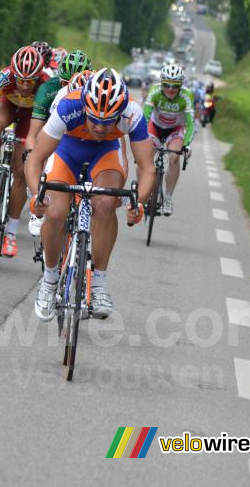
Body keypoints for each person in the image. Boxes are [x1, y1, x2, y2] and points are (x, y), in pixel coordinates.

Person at [25, 68, 155, 320]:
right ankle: (50, 281)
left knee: (106, 203)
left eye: (108, 121)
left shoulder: (132, 113)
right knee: (55, 211)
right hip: (67, 151)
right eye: (94, 119)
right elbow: (36, 159)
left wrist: (138, 203)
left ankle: (98, 286)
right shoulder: (68, 106)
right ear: (85, 105)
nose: (99, 126)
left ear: (119, 113)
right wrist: (35, 196)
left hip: (105, 153)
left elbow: (148, 168)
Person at [0, 45, 50, 257]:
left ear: (37, 77)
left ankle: (11, 233)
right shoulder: (4, 77)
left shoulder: (44, 84)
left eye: (29, 81)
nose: (24, 85)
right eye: (20, 80)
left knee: (22, 171)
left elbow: (46, 126)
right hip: (7, 106)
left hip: (31, 117)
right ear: (13, 74)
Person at [24, 50, 92, 237]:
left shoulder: (94, 96)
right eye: (64, 82)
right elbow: (35, 135)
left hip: (82, 136)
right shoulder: (52, 91)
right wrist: (32, 155)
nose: (70, 88)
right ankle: (38, 209)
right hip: (56, 131)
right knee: (43, 157)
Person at [142, 63, 195, 216]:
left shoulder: (187, 95)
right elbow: (145, 118)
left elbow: (190, 124)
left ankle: (168, 198)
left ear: (181, 85)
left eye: (175, 86)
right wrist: (141, 140)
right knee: (145, 156)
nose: (170, 89)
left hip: (175, 130)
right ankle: (143, 191)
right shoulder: (154, 91)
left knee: (174, 157)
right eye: (166, 85)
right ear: (161, 83)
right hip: (155, 127)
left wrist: (187, 145)